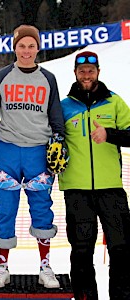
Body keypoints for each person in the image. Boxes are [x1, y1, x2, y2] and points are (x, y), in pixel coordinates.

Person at [0, 24, 66, 289]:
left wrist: (60, 141)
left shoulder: (48, 78)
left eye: (31, 46)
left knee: (42, 209)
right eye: (22, 45)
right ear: (14, 47)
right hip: (7, 148)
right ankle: (2, 265)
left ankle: (45, 265)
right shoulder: (2, 75)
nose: (26, 51)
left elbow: (55, 114)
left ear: (37, 48)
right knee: (5, 209)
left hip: (38, 151)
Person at [59, 51, 130, 299]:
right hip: (76, 189)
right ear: (75, 74)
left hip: (111, 188)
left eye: (91, 70)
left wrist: (110, 134)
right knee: (81, 251)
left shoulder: (114, 102)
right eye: (82, 71)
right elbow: (49, 139)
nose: (86, 75)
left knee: (121, 249)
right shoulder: (63, 106)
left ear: (98, 72)